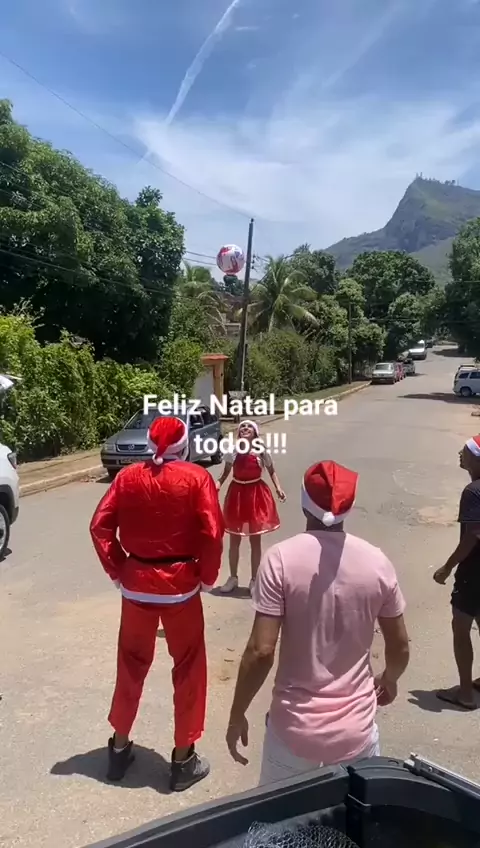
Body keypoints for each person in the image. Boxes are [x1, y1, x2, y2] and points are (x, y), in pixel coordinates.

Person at [226, 460, 409, 784]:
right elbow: (399, 645)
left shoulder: (280, 559)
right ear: (349, 506)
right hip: (357, 736)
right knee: (353, 815)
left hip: (293, 734)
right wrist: (389, 678)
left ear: (303, 503)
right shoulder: (377, 562)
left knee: (282, 816)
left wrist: (237, 713)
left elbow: (261, 651)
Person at [89, 415, 224, 791]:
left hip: (136, 585)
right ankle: (183, 760)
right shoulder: (197, 478)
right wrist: (208, 576)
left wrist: (118, 569)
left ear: (149, 444)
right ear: (186, 445)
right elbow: (213, 532)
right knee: (188, 667)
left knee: (130, 664)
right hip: (181, 587)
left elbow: (99, 525)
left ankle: (118, 750)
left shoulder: (127, 477)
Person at [434, 434, 480, 710]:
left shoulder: (473, 492)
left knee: (461, 628)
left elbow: (473, 535)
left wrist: (447, 567)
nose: (460, 454)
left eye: (465, 451)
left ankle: (465, 693)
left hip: (474, 573)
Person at [216, 420, 286, 595]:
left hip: (256, 495)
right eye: (242, 427)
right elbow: (226, 472)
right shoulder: (233, 450)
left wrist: (278, 488)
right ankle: (233, 577)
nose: (245, 428)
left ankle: (254, 580)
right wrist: (217, 484)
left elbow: (271, 470)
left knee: (255, 539)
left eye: (249, 427)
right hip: (237, 495)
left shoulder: (260, 450)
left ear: (255, 433)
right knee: (235, 539)